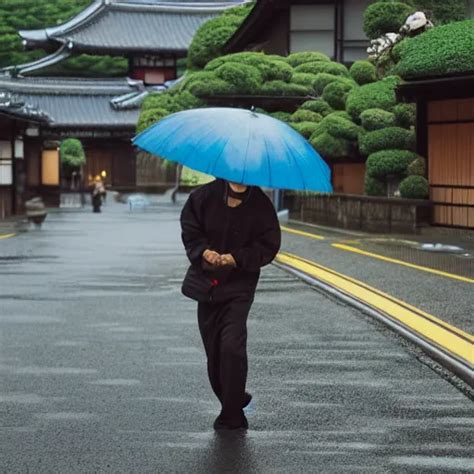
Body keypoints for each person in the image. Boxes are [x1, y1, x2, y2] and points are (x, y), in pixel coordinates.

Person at [180, 179, 281, 430]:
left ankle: (232, 415)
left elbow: (268, 245)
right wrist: (204, 252)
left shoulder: (260, 205)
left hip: (239, 287)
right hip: (207, 287)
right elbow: (191, 232)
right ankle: (234, 398)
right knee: (214, 355)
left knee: (231, 347)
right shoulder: (202, 197)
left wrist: (236, 258)